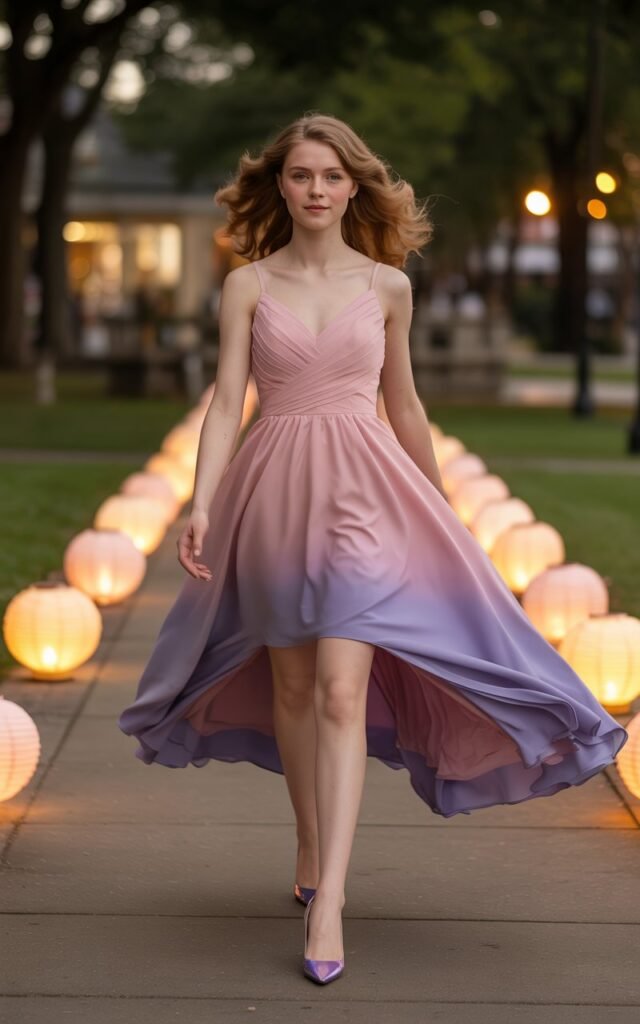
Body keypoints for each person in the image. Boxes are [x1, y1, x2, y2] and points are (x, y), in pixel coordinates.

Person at [118, 112, 628, 986]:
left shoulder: (388, 285)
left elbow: (406, 406)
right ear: (279, 185)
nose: (316, 189)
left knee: (342, 690)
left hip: (366, 497)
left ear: (355, 186)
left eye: (332, 176)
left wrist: (438, 505)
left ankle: (332, 900)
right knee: (290, 684)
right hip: (272, 495)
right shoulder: (247, 285)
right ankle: (311, 846)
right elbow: (224, 402)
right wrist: (202, 505)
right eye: (301, 175)